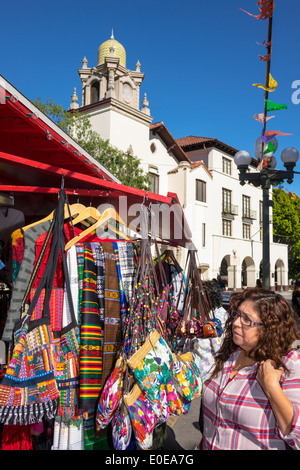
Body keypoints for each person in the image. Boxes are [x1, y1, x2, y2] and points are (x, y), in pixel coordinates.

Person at [197, 287, 300, 450]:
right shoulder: (230, 355)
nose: (236, 323)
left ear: (269, 328)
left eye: (247, 320)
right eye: (237, 315)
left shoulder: (288, 365)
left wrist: (272, 387)